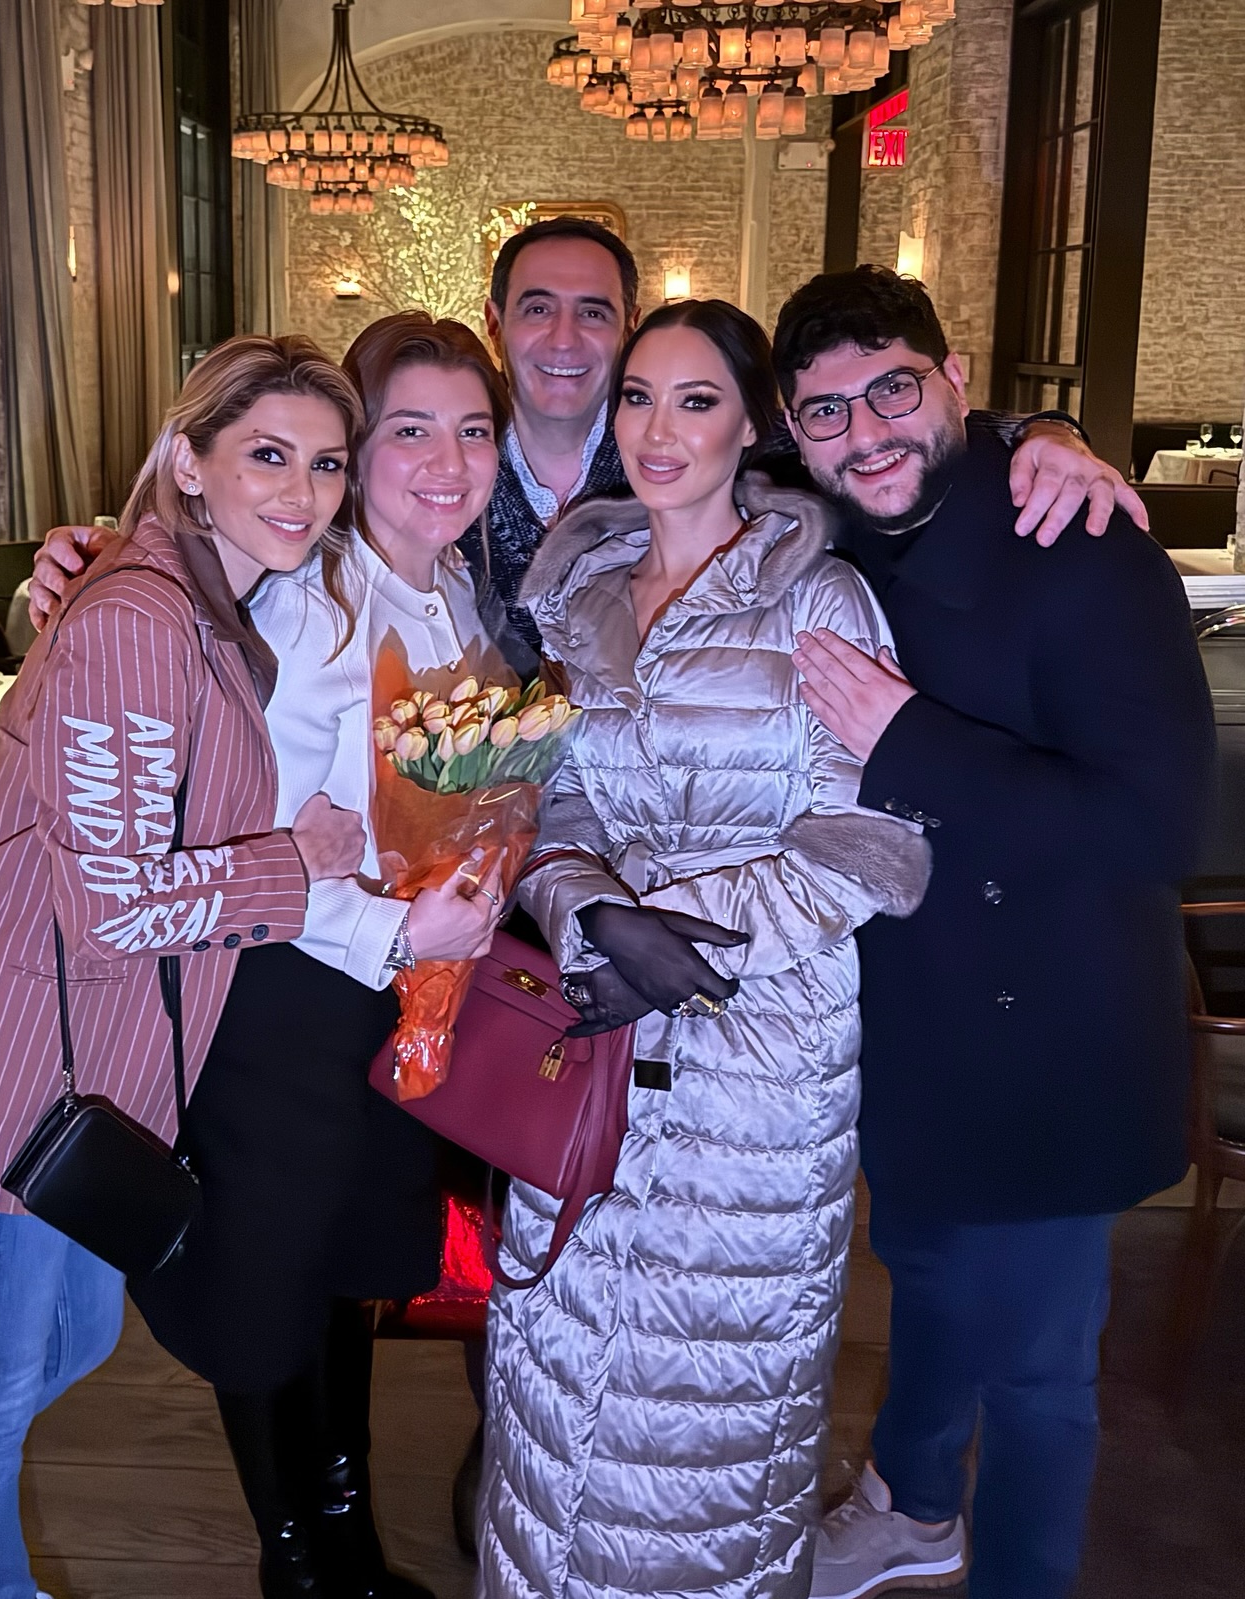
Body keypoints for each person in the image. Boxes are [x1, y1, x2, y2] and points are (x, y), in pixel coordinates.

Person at [0, 335, 371, 1599]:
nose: (304, 491)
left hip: (82, 1071)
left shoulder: (202, 599)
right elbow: (118, 906)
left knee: (70, 1338)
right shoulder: (137, 620)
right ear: (190, 460)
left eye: (327, 463)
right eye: (268, 455)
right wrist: (297, 864)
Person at [479, 299, 933, 1599]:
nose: (658, 429)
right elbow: (550, 808)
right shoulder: (579, 596)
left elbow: (867, 838)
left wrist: (678, 939)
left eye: (695, 400)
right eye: (638, 397)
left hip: (757, 1059)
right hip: (588, 1038)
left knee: (715, 1407)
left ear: (753, 426)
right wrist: (587, 914)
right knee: (553, 1369)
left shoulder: (817, 596)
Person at [777, 267, 1216, 1599]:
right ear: (791, 429)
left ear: (955, 378)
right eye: (827, 410)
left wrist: (912, 741)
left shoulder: (1081, 542)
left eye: (894, 389)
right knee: (928, 1275)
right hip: (912, 1011)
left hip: (1054, 1027)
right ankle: (914, 1502)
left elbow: (1157, 826)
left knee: (1038, 1370)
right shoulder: (827, 528)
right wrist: (1040, 425)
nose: (866, 432)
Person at [28, 219, 1150, 673]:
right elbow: (267, 495)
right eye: (537, 310)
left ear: (628, 327)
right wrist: (131, 557)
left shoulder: (703, 460)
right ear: (497, 322)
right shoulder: (423, 466)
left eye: (595, 313)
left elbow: (870, 436)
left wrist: (1040, 433)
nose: (565, 340)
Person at [126, 312, 509, 1599]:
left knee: (342, 1274)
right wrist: (394, 926)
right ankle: (296, 1561)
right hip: (282, 1001)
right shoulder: (304, 605)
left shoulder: (450, 591)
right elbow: (237, 838)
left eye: (474, 431)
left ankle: (345, 1542)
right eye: (410, 431)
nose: (446, 463)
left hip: (387, 999)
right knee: (268, 1285)